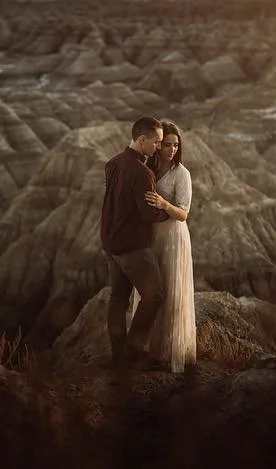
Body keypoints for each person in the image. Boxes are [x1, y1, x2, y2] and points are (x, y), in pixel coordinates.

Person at [101, 116, 170, 370]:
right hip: (133, 246)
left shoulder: (113, 164)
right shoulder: (142, 173)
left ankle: (118, 356)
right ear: (141, 140)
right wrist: (170, 212)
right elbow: (148, 213)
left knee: (118, 299)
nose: (159, 148)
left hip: (110, 242)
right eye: (156, 142)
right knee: (154, 296)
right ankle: (133, 354)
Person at [128, 120, 197, 373]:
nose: (171, 149)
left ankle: (169, 353)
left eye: (175, 145)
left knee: (170, 292)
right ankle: (147, 350)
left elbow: (184, 213)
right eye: (166, 144)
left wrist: (162, 204)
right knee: (151, 293)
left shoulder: (182, 174)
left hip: (174, 238)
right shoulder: (149, 168)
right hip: (152, 236)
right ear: (158, 146)